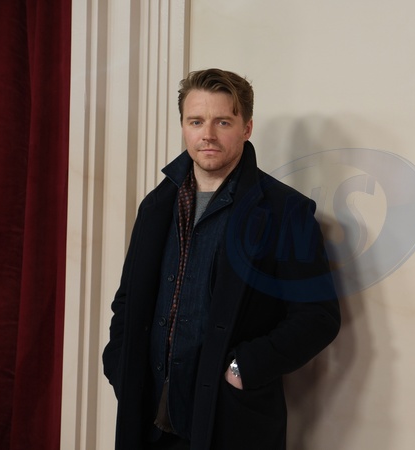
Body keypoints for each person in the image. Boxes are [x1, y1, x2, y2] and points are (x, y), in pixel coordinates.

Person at [102, 68, 341, 450]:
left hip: (230, 420)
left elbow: (318, 318)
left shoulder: (286, 211)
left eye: (223, 122)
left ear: (246, 128)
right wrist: (119, 364)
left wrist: (243, 368)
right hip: (147, 419)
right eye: (196, 121)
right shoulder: (156, 205)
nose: (208, 135)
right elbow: (128, 299)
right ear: (183, 126)